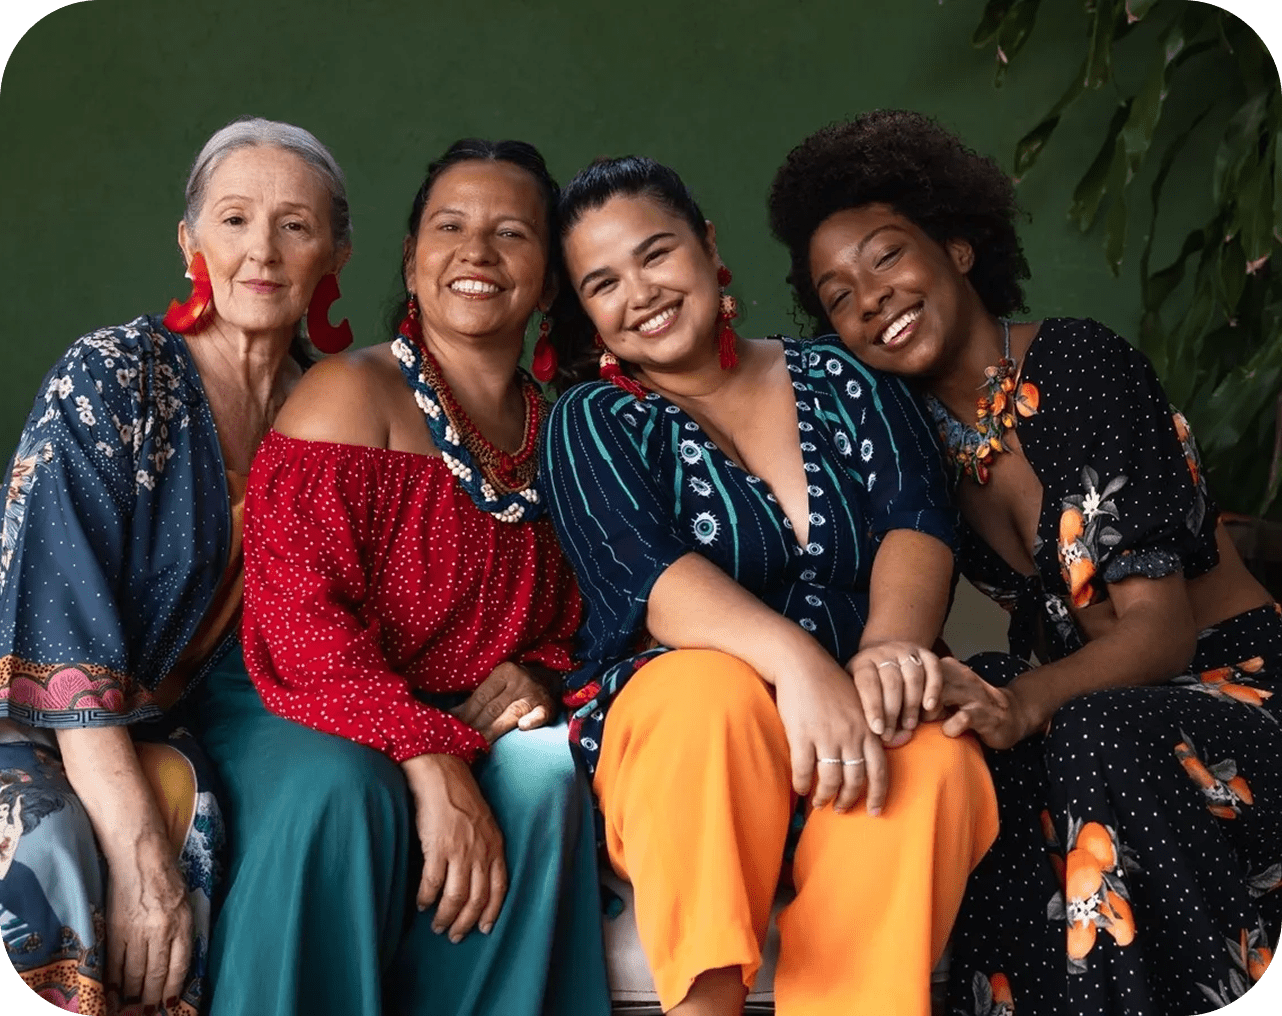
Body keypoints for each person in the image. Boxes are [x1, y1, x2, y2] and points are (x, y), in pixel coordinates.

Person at [767, 108, 1281, 1015]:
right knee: (961, 729)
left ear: (959, 250)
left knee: (1079, 727)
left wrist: (1023, 703)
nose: (870, 298)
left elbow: (1160, 634)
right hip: (1090, 712)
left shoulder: (1080, 365)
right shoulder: (917, 449)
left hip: (1233, 689)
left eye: (886, 258)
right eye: (838, 296)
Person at [539, 155, 999, 1016]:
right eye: (603, 283)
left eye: (655, 253)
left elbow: (917, 517)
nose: (640, 292)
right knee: (705, 693)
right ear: (588, 313)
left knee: (933, 749)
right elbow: (652, 579)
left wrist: (887, 649)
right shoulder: (592, 421)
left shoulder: (845, 376)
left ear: (708, 246)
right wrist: (800, 667)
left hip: (861, 705)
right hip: (691, 742)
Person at [231, 138, 611, 1016]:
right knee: (347, 791)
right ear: (412, 261)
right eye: (450, 227)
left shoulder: (562, 432)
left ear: (548, 283)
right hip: (307, 693)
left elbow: (594, 614)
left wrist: (540, 675)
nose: (477, 251)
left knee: (546, 774)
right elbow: (297, 618)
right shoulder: (349, 394)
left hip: (462, 708)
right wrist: (424, 748)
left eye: (511, 233)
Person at [0, 116, 352, 1014]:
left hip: (175, 730)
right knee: (52, 849)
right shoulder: (113, 378)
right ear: (191, 241)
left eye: (295, 225)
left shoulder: (337, 412)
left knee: (206, 830)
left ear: (334, 255)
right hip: (35, 714)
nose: (261, 250)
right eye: (234, 220)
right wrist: (137, 856)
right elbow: (56, 634)